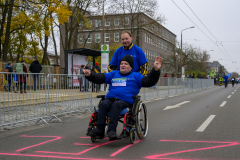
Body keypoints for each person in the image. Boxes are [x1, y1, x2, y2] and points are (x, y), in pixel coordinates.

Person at [84, 55, 162, 141]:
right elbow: (100, 77)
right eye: (121, 63)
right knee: (103, 104)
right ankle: (100, 130)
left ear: (131, 67)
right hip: (111, 98)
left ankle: (111, 131)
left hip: (125, 100)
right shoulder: (114, 74)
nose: (123, 65)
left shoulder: (136, 76)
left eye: (126, 64)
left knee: (116, 105)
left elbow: (149, 81)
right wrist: (90, 75)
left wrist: (156, 70)